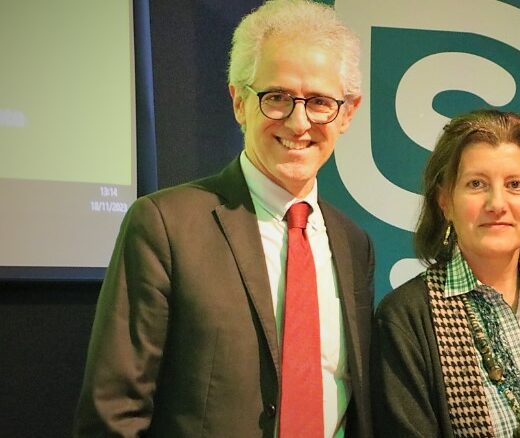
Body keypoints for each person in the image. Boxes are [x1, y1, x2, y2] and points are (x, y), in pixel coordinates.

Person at [75, 1, 373, 436]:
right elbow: (113, 414)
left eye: (320, 102)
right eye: (276, 98)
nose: (299, 122)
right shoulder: (165, 226)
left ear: (347, 113)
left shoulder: (353, 243)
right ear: (239, 102)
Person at [372, 109, 520, 437]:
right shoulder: (406, 319)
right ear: (445, 202)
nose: (497, 203)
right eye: (476, 184)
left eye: (515, 185)